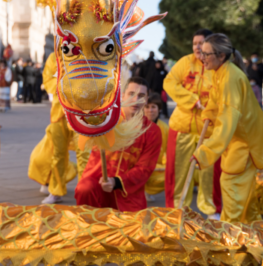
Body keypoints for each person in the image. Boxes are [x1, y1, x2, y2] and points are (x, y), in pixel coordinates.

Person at [195, 33, 263, 223]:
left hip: (244, 143)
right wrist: (209, 113)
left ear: (221, 56)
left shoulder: (231, 77)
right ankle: (251, 242)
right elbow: (215, 102)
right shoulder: (220, 72)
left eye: (207, 54)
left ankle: (233, 246)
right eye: (201, 53)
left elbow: (227, 121)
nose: (202, 58)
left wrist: (205, 152)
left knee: (232, 189)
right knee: (244, 198)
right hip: (237, 140)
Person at [74, 77, 162, 212]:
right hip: (98, 185)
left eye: (141, 96)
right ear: (122, 95)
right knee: (84, 189)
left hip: (128, 194)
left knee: (132, 230)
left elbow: (145, 169)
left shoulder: (152, 131)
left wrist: (116, 182)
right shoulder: (106, 120)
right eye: (131, 94)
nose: (135, 100)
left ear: (146, 99)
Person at [163, 28, 220, 219]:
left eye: (201, 43)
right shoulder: (185, 62)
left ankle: (210, 209)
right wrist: (191, 100)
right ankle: (177, 209)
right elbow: (169, 82)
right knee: (179, 171)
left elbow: (225, 91)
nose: (197, 47)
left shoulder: (218, 66)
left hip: (209, 129)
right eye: (194, 43)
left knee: (209, 173)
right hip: (183, 127)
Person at [28, 53, 78, 204]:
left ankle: (85, 192)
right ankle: (56, 191)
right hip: (59, 113)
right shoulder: (55, 56)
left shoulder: (88, 51)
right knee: (58, 153)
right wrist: (63, 85)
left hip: (82, 113)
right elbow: (47, 78)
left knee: (85, 155)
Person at [143, 93, 169, 202]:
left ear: (159, 109)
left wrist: (166, 164)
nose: (150, 110)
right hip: (137, 166)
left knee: (174, 174)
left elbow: (168, 151)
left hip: (156, 167)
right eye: (147, 107)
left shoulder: (164, 128)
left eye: (153, 107)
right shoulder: (135, 126)